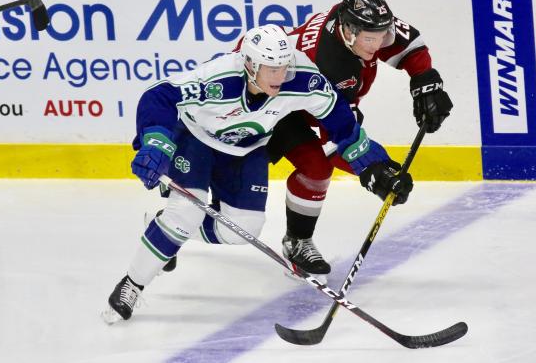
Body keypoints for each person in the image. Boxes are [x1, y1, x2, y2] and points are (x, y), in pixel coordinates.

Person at [102, 24, 413, 323]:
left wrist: (377, 167)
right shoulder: (219, 78)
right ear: (250, 64)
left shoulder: (302, 78)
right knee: (184, 212)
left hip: (246, 149)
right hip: (195, 139)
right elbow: (159, 97)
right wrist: (156, 144)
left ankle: (164, 230)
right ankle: (133, 284)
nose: (281, 76)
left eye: (284, 67)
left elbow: (343, 125)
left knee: (241, 228)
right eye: (272, 69)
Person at [260, 0, 454, 277]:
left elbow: (409, 44)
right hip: (268, 102)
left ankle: (297, 241)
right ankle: (176, 223)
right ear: (348, 32)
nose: (378, 46)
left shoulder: (362, 22)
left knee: (315, 169)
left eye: (381, 37)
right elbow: (340, 139)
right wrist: (377, 170)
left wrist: (425, 80)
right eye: (370, 40)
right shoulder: (328, 64)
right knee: (239, 178)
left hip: (304, 101)